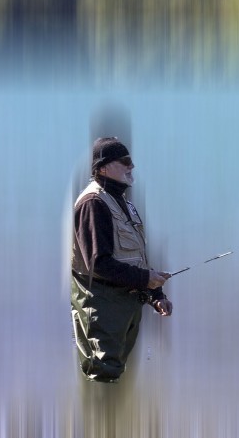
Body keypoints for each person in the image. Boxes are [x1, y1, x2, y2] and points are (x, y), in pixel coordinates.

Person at [70, 136, 173, 383]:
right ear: (103, 168)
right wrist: (145, 279)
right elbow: (99, 264)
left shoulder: (125, 204)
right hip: (104, 307)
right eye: (124, 161)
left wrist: (156, 295)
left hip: (124, 307)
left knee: (115, 375)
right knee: (102, 375)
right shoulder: (94, 203)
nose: (132, 166)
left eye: (131, 161)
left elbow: (133, 257)